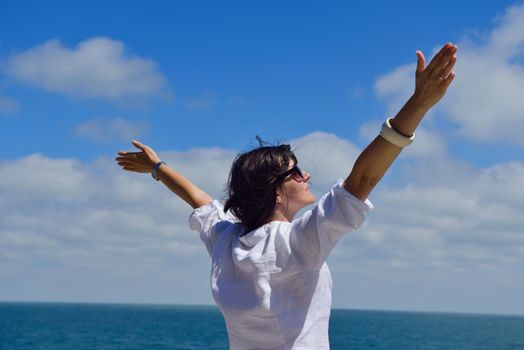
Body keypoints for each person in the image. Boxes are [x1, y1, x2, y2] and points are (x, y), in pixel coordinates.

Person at [115, 43, 458, 349]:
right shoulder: (298, 243)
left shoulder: (227, 242)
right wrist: (419, 104)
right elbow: (365, 176)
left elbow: (198, 199)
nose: (305, 175)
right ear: (275, 191)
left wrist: (157, 167)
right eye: (294, 172)